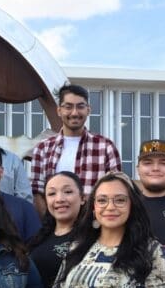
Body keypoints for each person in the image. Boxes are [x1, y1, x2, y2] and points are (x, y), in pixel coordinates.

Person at [30, 83, 121, 213]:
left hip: (94, 225)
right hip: (56, 226)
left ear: (88, 110)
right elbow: (37, 191)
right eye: (68, 107)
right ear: (59, 111)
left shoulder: (106, 147)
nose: (74, 113)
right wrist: (48, 225)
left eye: (80, 106)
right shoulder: (43, 148)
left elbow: (115, 188)